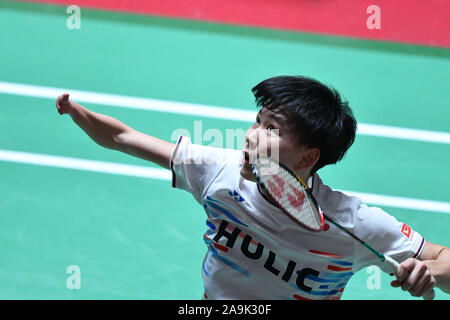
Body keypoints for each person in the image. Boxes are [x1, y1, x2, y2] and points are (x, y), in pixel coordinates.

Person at [55, 75, 449, 300]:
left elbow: (444, 259)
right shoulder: (217, 171)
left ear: (308, 158)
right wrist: (78, 112)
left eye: (271, 130)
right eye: (256, 121)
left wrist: (427, 270)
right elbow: (122, 138)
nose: (251, 136)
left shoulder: (354, 223)